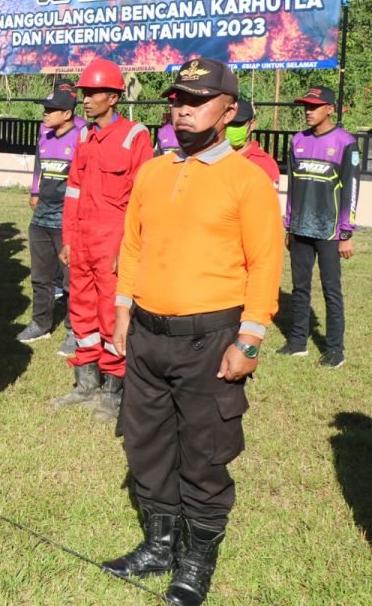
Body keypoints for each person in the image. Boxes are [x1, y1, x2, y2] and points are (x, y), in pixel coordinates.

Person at [104, 57, 282, 606]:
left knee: (204, 454)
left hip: (212, 340)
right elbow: (134, 245)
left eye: (196, 100)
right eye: (177, 99)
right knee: (147, 445)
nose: (182, 109)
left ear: (228, 110)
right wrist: (122, 309)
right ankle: (158, 547)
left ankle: (195, 563)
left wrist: (249, 339)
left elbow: (266, 264)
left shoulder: (248, 180)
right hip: (148, 337)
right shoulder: (154, 171)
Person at [52, 58, 152, 421]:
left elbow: (141, 200)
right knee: (80, 308)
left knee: (112, 313)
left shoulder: (135, 136)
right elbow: (74, 191)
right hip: (82, 240)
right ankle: (86, 382)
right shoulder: (82, 135)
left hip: (113, 241)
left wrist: (128, 247)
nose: (86, 99)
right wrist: (68, 238)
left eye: (94, 93)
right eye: (85, 93)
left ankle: (113, 390)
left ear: (113, 97)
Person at [281, 85, 359, 367]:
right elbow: (292, 188)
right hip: (300, 229)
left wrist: (346, 233)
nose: (308, 111)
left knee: (331, 290)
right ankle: (298, 342)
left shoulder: (345, 142)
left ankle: (335, 349)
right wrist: (289, 225)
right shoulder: (297, 141)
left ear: (330, 109)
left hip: (329, 232)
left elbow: (351, 189)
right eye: (306, 106)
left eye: (314, 106)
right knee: (299, 288)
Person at [17, 86, 79, 344]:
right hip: (41, 218)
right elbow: (39, 168)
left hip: (66, 220)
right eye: (45, 109)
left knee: (71, 280)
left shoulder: (82, 137)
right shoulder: (46, 136)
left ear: (67, 113)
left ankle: (73, 330)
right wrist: (35, 192)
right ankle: (41, 323)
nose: (45, 114)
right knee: (41, 277)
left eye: (51, 110)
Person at [226, 100, 280, 185]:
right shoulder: (216, 157)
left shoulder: (265, 164)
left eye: (238, 124)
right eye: (229, 123)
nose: (232, 128)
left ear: (252, 125)